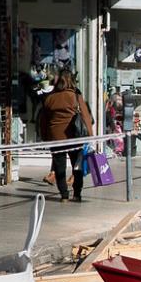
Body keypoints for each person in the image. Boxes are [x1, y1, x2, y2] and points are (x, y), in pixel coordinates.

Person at [40, 70, 93, 203]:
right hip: (74, 136)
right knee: (77, 166)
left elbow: (44, 120)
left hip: (56, 137)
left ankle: (64, 195)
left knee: (59, 167)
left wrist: (45, 137)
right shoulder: (75, 95)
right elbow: (85, 116)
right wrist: (91, 135)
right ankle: (77, 194)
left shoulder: (50, 97)